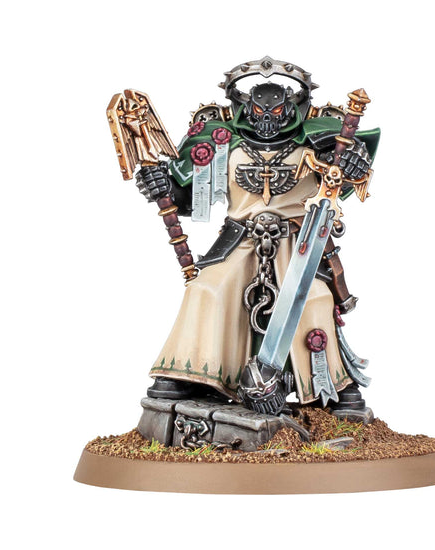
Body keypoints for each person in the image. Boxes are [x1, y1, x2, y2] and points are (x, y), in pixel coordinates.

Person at [135, 57, 380, 422]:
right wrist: (161, 185)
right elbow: (188, 197)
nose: (267, 118)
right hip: (239, 241)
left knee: (314, 297)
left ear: (292, 107)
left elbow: (346, 173)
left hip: (298, 243)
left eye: (277, 110)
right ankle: (190, 373)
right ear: (244, 106)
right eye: (260, 110)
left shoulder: (322, 136)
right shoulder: (222, 139)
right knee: (205, 288)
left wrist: (354, 160)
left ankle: (331, 384)